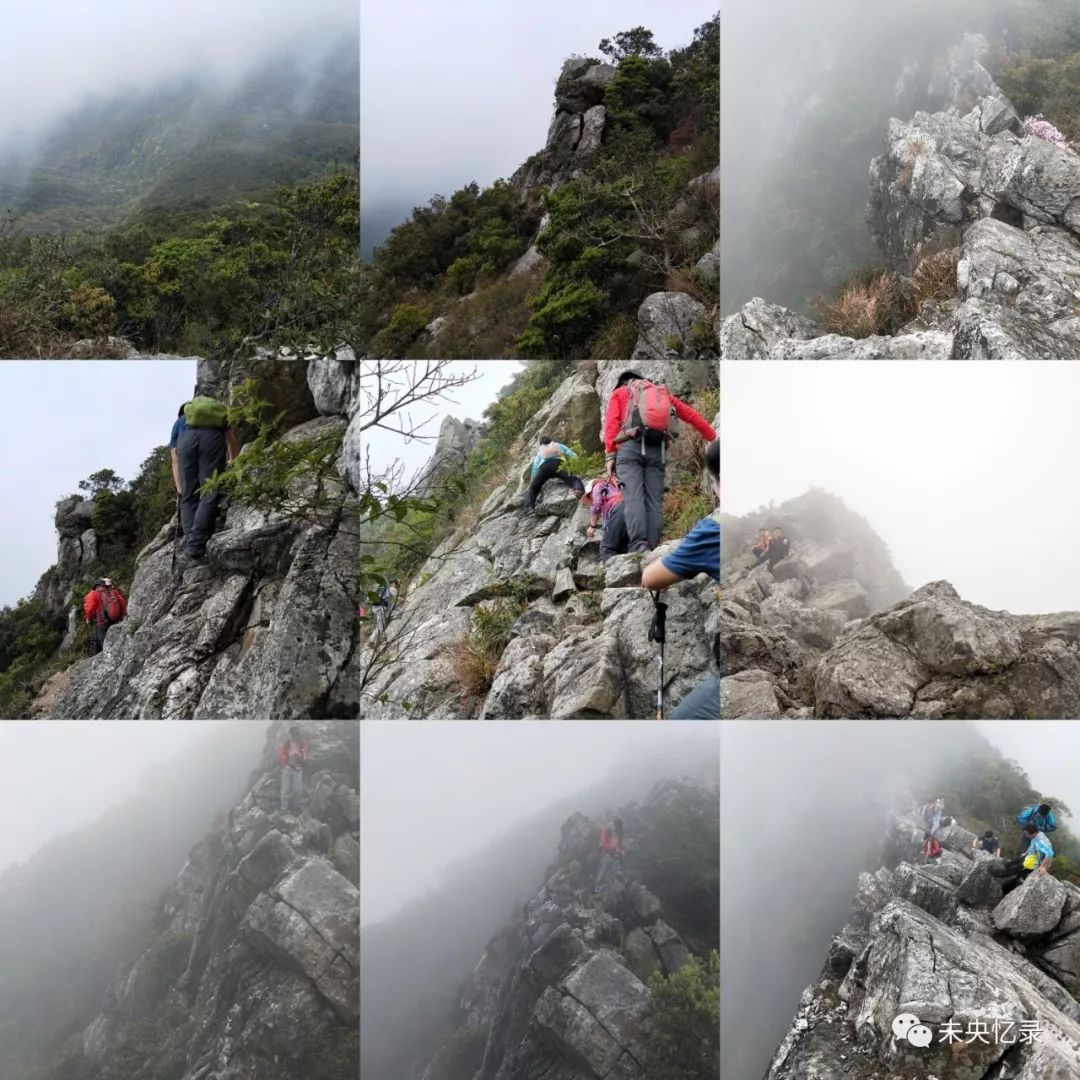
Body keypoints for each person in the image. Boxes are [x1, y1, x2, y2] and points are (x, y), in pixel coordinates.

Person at [641, 438, 720, 719]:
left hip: (747, 668)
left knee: (676, 731)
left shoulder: (715, 529)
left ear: (716, 483)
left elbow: (650, 578)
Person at [603, 371, 717, 553]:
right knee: (654, 501)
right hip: (657, 450)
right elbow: (689, 414)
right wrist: (712, 435)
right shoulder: (660, 394)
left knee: (633, 497)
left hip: (629, 449)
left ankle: (638, 546)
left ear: (622, 382)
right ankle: (652, 547)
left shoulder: (620, 393)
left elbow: (611, 424)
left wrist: (610, 455)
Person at [177, 389, 240, 564]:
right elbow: (231, 439)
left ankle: (191, 540)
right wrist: (234, 461)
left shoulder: (189, 415)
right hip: (211, 439)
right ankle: (195, 546)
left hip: (187, 440)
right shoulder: (219, 412)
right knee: (210, 491)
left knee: (189, 495)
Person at [524, 437, 585, 515]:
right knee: (573, 479)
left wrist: (533, 479)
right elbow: (570, 454)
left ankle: (529, 507)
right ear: (551, 441)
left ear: (541, 445)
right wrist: (579, 463)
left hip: (544, 468)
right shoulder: (557, 445)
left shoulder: (540, 450)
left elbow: (535, 465)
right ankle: (578, 489)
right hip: (559, 464)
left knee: (534, 488)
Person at [991, 823, 1054, 893]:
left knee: (1016, 869)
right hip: (1031, 856)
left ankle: (997, 873)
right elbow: (1033, 845)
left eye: (1027, 834)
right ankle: (1006, 871)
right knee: (1018, 861)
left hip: (1034, 863)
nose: (1025, 835)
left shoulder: (1040, 841)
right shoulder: (1039, 834)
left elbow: (1050, 853)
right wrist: (1026, 852)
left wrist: (1042, 866)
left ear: (1034, 833)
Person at [583, 476, 628, 564]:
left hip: (619, 509)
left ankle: (616, 573)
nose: (590, 498)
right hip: (630, 508)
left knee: (606, 549)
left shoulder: (597, 486)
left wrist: (592, 526)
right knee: (623, 547)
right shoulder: (613, 488)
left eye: (589, 496)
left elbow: (596, 504)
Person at [83, 577, 128, 655]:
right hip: (113, 620)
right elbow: (122, 603)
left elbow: (89, 609)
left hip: (101, 623)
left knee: (101, 640)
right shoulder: (113, 592)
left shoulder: (93, 594)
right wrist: (123, 615)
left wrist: (88, 618)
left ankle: (103, 655)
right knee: (114, 638)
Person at [278, 725, 309, 814]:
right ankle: (284, 809)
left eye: (296, 735)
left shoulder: (302, 743)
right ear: (290, 735)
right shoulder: (286, 744)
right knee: (285, 790)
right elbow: (281, 756)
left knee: (298, 790)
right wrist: (288, 761)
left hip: (297, 769)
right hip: (287, 768)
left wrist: (301, 762)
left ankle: (295, 808)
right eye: (294, 735)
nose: (295, 737)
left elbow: (304, 754)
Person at [593, 817, 625, 896]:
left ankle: (607, 887)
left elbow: (620, 844)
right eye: (615, 826)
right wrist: (613, 849)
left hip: (615, 855)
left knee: (613, 873)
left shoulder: (619, 832)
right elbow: (603, 843)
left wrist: (621, 852)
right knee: (603, 871)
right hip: (606, 854)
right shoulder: (606, 830)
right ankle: (597, 888)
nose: (615, 827)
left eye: (617, 827)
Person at [371, 580, 400, 645]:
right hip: (381, 609)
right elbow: (397, 598)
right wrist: (407, 601)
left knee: (379, 625)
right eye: (398, 583)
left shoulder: (386, 590)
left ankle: (373, 641)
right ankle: (372, 642)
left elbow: (390, 602)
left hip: (377, 608)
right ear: (393, 583)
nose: (399, 585)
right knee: (381, 625)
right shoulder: (392, 589)